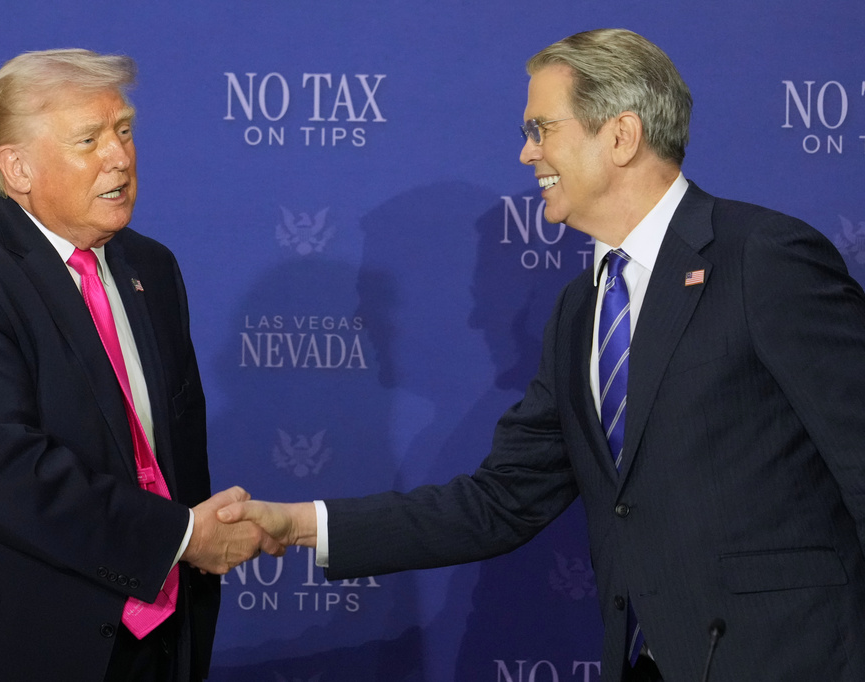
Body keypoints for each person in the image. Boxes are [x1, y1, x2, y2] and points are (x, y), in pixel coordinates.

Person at [218, 28, 865, 682]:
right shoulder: (580, 312)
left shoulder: (762, 258)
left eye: (541, 128)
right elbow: (500, 501)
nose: (527, 153)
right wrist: (298, 524)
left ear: (620, 135)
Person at [0, 49, 280, 682]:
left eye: (124, 130)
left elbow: (168, 457)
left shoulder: (150, 268)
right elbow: (9, 473)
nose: (119, 157)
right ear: (16, 167)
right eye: (88, 140)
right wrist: (183, 538)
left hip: (131, 637)